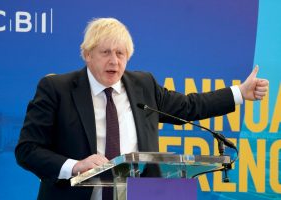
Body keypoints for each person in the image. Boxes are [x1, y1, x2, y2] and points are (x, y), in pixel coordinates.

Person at [15, 17, 269, 200]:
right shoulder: (56, 88)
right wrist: (75, 165)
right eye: (105, 52)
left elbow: (189, 107)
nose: (114, 61)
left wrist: (239, 93)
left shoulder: (143, 85)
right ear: (87, 54)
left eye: (121, 53)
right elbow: (27, 150)